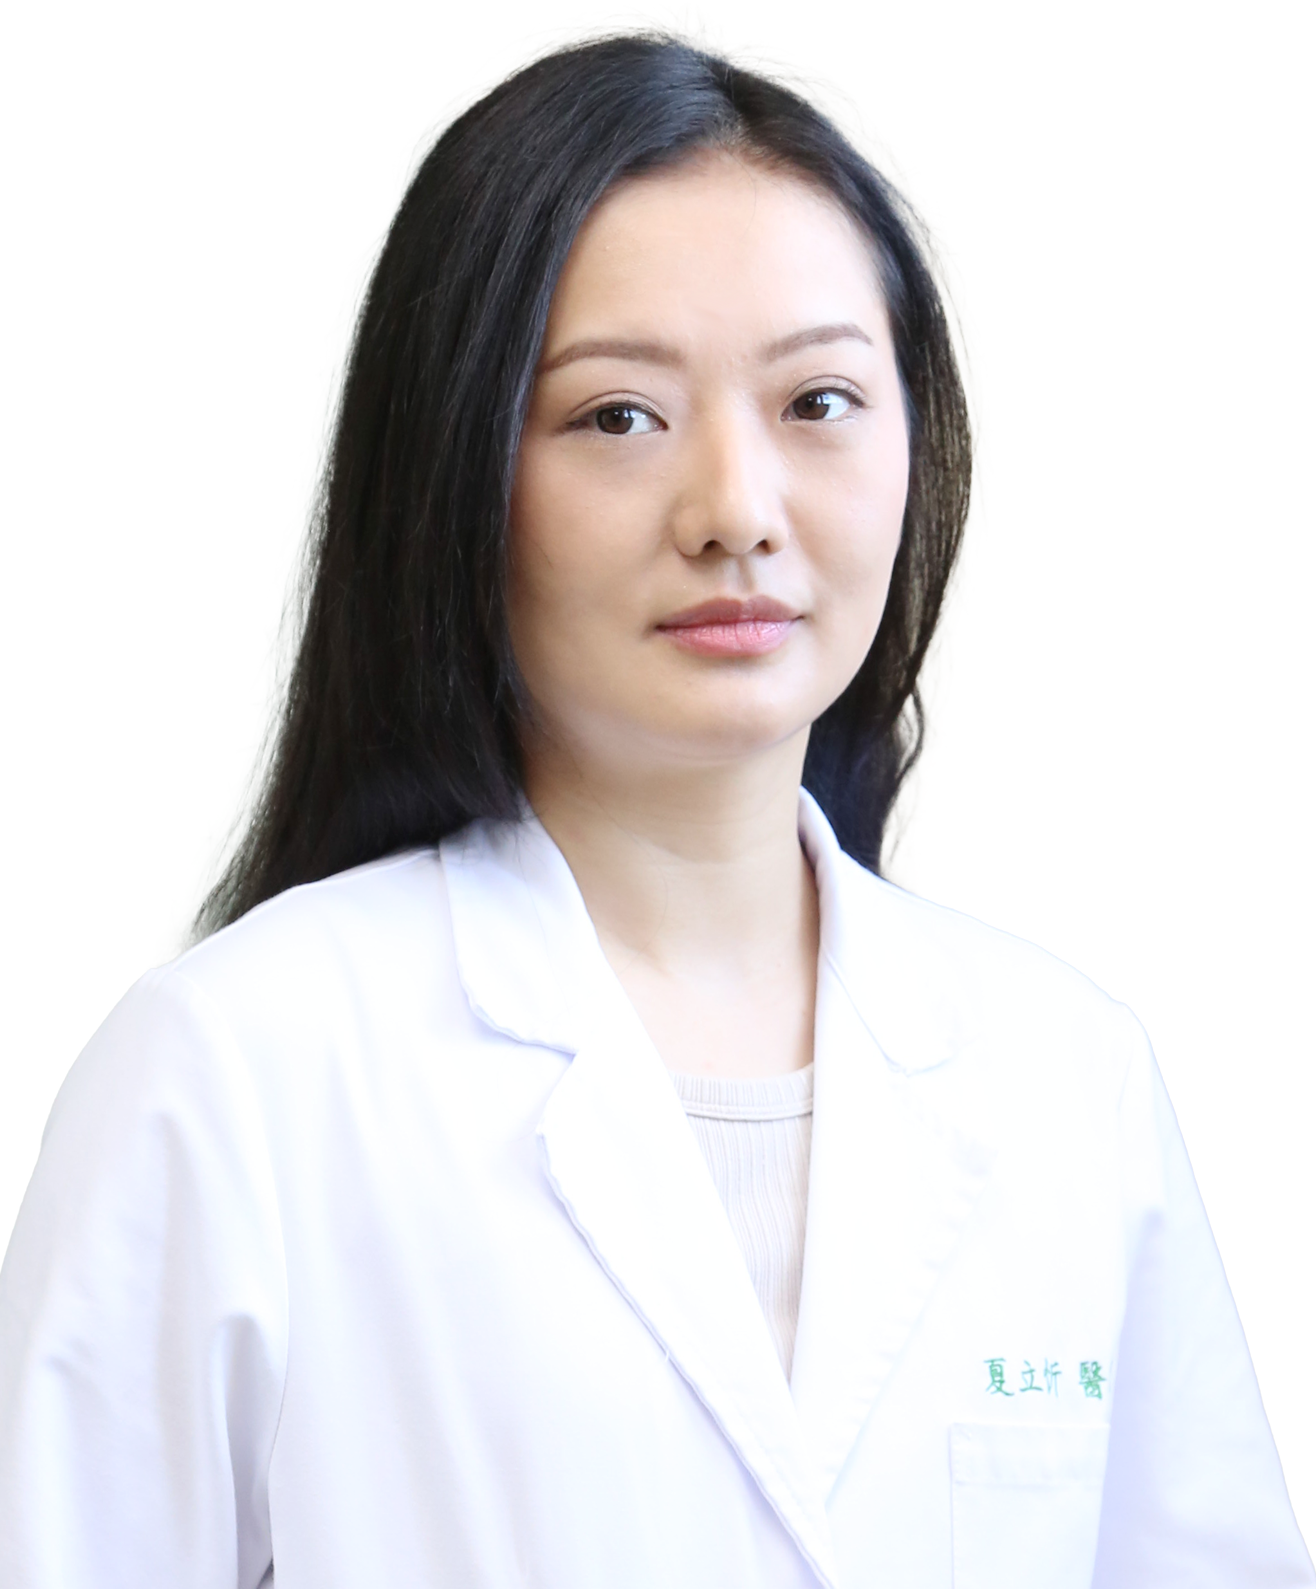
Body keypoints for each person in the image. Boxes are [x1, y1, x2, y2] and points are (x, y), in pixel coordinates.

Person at [0, 32, 1309, 1589]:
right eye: (618, 417)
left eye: (819, 399)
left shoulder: (1069, 1079)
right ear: (456, 467)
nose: (737, 511)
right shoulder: (234, 1075)